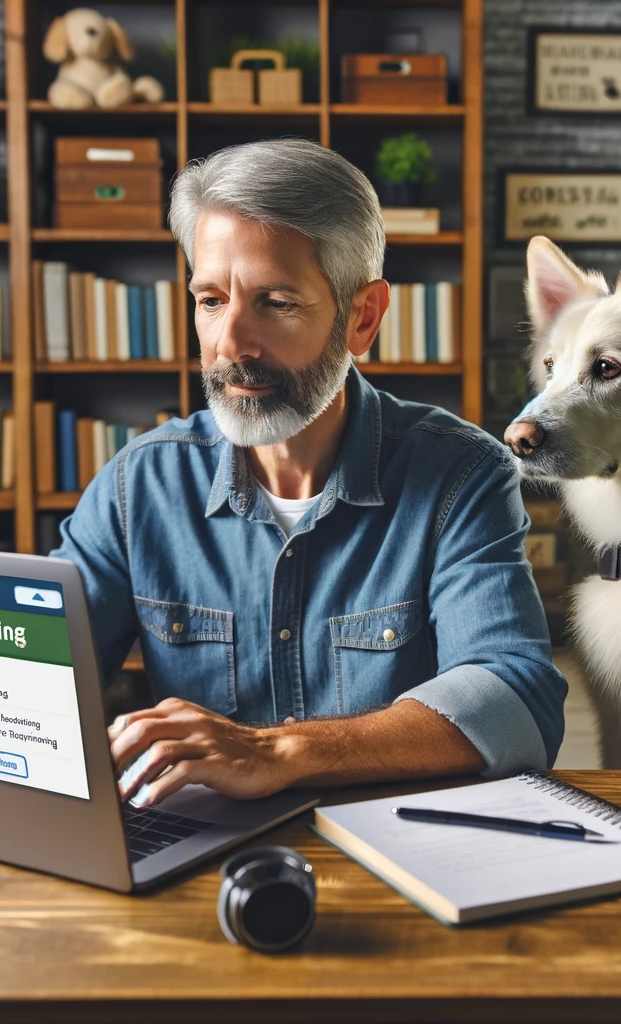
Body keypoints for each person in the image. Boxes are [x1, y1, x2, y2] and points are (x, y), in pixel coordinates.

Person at [50, 139, 566, 808]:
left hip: (400, 855)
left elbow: (517, 698)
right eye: (211, 301)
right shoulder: (136, 487)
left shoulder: (460, 475)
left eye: (276, 303)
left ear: (362, 317)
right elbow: (38, 680)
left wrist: (279, 752)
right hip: (200, 858)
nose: (230, 344)